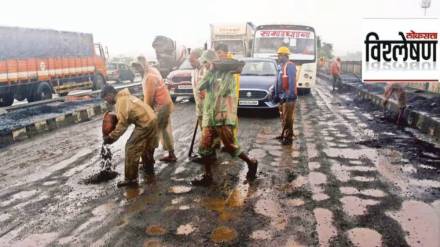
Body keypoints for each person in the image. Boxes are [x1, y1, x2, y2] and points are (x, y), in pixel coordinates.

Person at [192, 44, 258, 186]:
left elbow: (223, 91)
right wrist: (210, 72)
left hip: (222, 117)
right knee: (205, 147)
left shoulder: (228, 75)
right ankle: (207, 175)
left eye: (206, 62)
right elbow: (199, 87)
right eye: (204, 63)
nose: (205, 65)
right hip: (210, 117)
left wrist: (215, 74)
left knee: (230, 146)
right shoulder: (210, 74)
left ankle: (251, 163)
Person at [101, 85, 158, 187]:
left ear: (110, 94)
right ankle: (148, 165)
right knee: (146, 144)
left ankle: (131, 179)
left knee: (131, 147)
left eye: (106, 99)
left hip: (145, 123)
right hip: (152, 119)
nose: (106, 101)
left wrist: (111, 137)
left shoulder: (121, 102)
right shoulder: (126, 97)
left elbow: (122, 125)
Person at [133, 56, 177, 163]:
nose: (137, 70)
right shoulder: (152, 70)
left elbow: (149, 99)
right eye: (135, 67)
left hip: (161, 106)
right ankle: (171, 154)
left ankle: (149, 158)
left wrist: (143, 114)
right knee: (165, 130)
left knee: (152, 132)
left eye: (139, 67)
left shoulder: (149, 77)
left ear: (144, 65)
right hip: (165, 103)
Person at [274, 46, 297, 145]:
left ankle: (288, 137)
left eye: (280, 55)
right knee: (283, 116)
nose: (278, 57)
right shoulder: (281, 66)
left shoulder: (290, 66)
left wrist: (290, 96)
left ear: (285, 55)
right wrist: (275, 93)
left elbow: (292, 82)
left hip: (288, 96)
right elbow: (278, 81)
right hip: (282, 96)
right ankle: (284, 133)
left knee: (288, 118)